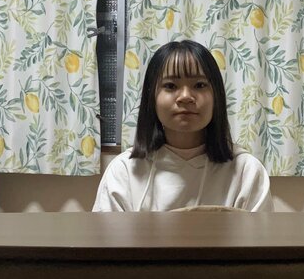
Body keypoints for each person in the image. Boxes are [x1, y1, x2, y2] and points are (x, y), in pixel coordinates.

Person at [93, 40, 273, 212]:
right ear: (152, 98)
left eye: (200, 85)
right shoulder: (125, 171)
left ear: (216, 97)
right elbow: (105, 233)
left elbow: (259, 234)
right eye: (170, 86)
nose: (186, 96)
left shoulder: (245, 171)